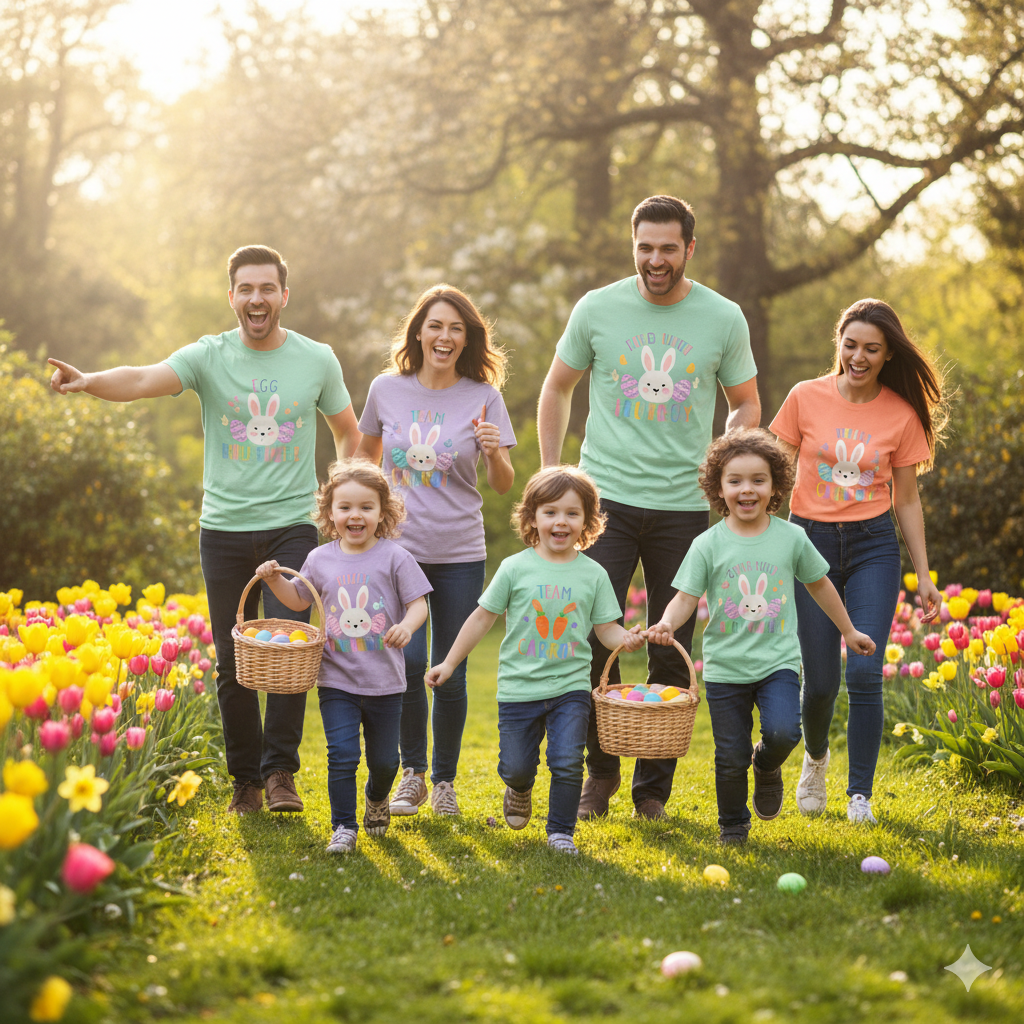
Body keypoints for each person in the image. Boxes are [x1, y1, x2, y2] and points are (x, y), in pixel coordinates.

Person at [48, 245, 361, 815]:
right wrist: (88, 380)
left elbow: (347, 430)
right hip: (223, 528)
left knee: (293, 645)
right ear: (233, 297)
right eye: (246, 289)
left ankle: (280, 773)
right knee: (233, 658)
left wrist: (338, 505)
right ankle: (244, 778)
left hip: (292, 522)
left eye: (267, 288)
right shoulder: (208, 355)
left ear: (284, 296)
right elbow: (143, 378)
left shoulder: (317, 359)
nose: (257, 298)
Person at [536, 194, 761, 820]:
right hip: (602, 503)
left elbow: (746, 401)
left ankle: (651, 789)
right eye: (644, 247)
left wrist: (722, 455)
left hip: (684, 510)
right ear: (632, 245)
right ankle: (598, 774)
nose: (654, 260)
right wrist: (556, 471)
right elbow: (557, 386)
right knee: (589, 638)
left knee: (669, 643)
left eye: (667, 248)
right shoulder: (598, 308)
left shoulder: (723, 317)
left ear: (690, 248)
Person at [647, 429, 875, 843]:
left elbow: (821, 585)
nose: (746, 490)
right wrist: (666, 623)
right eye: (735, 481)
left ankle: (766, 765)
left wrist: (849, 630)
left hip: (778, 663)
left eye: (758, 480)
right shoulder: (707, 544)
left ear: (776, 486)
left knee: (786, 731)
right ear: (719, 488)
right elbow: (685, 598)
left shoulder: (791, 538)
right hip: (725, 668)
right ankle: (733, 824)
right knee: (729, 756)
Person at [770, 298, 944, 824]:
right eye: (851, 345)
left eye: (872, 348)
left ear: (889, 353)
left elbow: (908, 499)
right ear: (838, 343)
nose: (859, 357)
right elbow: (774, 476)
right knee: (821, 681)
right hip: (809, 545)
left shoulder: (901, 413)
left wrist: (925, 575)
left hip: (873, 545)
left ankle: (859, 796)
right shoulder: (804, 398)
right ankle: (816, 759)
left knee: (866, 670)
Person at [356, 285, 516, 817]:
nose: (445, 337)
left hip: (460, 550)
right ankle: (413, 774)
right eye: (436, 326)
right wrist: (353, 522)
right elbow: (363, 463)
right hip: (397, 552)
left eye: (456, 329)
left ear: (466, 338)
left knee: (451, 667)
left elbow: (502, 484)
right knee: (408, 660)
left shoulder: (483, 395)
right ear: (418, 332)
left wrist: (494, 453)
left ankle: (444, 780)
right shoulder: (386, 389)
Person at [426, 466, 644, 853]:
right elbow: (481, 618)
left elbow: (606, 628)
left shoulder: (593, 574)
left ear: (587, 522)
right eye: (550, 512)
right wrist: (449, 662)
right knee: (516, 766)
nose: (561, 521)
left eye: (572, 513)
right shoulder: (515, 568)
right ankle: (519, 788)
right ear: (532, 518)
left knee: (567, 761)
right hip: (518, 687)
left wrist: (625, 639)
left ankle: (560, 831)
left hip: (571, 688)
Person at [256, 460, 430, 853]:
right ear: (330, 513)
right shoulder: (319, 559)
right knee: (343, 754)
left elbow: (418, 604)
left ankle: (376, 796)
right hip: (336, 680)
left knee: (386, 762)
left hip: (385, 681)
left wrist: (408, 625)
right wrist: (273, 580)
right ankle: (344, 827)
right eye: (345, 507)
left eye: (366, 507)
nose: (355, 515)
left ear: (382, 513)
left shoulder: (395, 557)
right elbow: (298, 600)